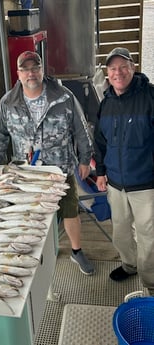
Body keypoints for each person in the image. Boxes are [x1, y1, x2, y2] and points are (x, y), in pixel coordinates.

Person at [0, 50, 95, 275]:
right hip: (25, 174)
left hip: (60, 170)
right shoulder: (8, 102)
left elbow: (81, 129)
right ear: (18, 74)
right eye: (25, 69)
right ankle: (29, 254)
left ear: (42, 69)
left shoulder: (64, 97)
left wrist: (86, 159)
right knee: (27, 215)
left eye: (35, 67)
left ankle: (77, 251)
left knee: (70, 210)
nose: (31, 73)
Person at [94, 47, 154, 295]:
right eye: (112, 68)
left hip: (146, 182)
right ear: (107, 74)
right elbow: (100, 141)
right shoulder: (106, 102)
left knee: (148, 234)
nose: (118, 72)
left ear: (133, 67)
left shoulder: (150, 97)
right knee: (120, 230)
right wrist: (101, 172)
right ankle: (129, 265)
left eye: (123, 67)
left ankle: (150, 280)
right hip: (115, 183)